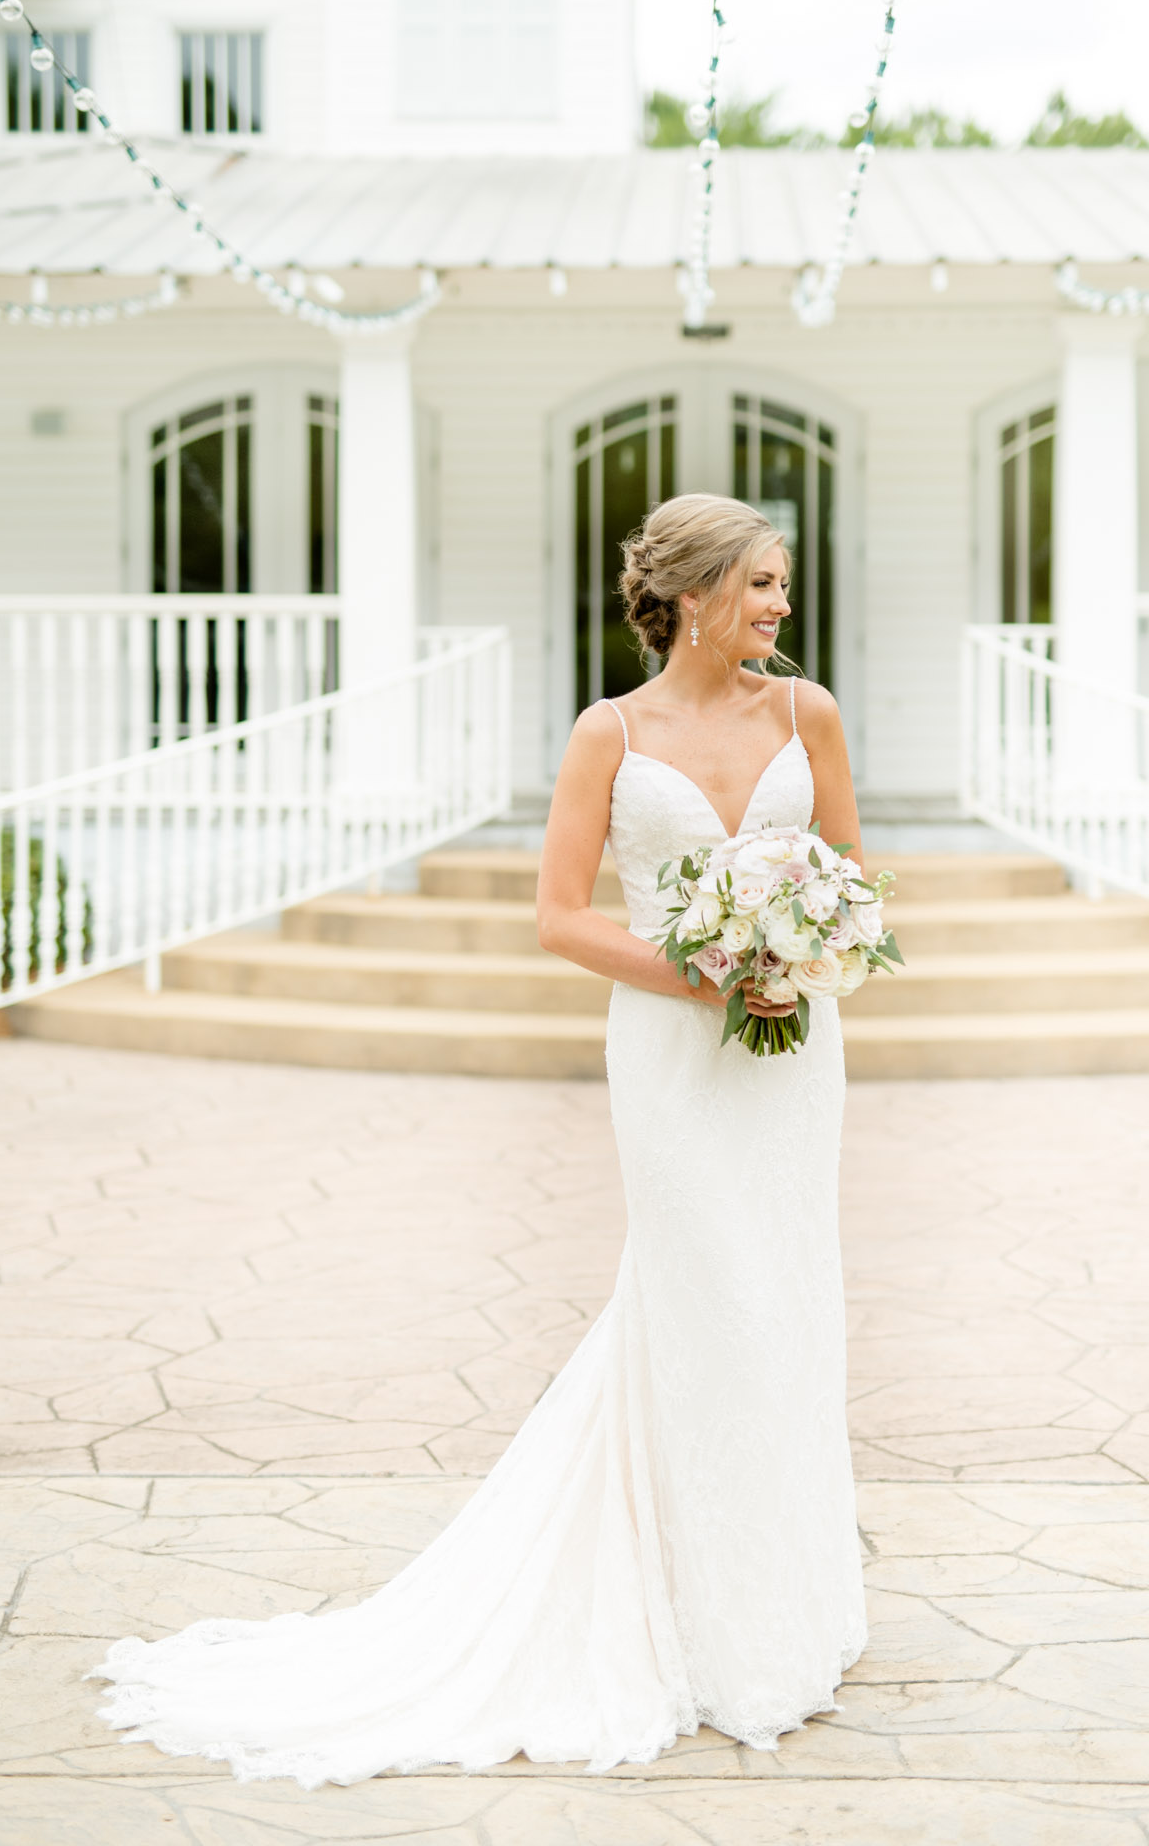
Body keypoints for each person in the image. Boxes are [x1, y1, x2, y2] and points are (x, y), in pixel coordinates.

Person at [88, 492, 866, 1785]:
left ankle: (784, 1609)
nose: (782, 609)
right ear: (689, 593)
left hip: (791, 1055)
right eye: (762, 586)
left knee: (787, 1303)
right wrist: (703, 971)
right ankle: (687, 1617)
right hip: (674, 1050)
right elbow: (560, 917)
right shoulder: (608, 735)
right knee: (701, 1302)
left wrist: (803, 955)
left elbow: (848, 869)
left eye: (784, 586)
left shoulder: (810, 714)